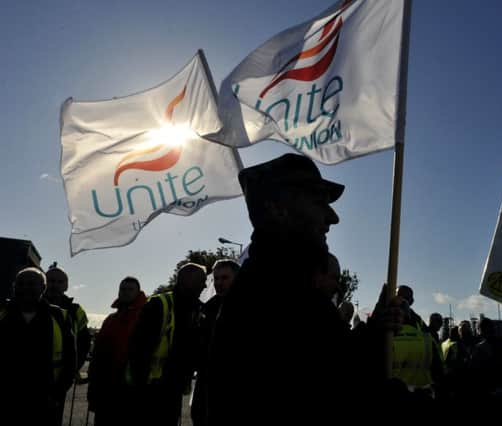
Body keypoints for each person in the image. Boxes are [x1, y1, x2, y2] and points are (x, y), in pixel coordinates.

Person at [204, 154, 405, 422]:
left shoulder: (287, 285)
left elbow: (334, 363)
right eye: (318, 202)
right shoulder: (273, 295)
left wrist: (375, 331)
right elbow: (331, 396)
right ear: (278, 209)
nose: (332, 217)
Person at [127, 263, 207, 426]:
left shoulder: (197, 310)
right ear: (187, 281)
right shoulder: (159, 305)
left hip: (173, 389)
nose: (205, 285)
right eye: (202, 281)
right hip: (149, 390)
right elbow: (138, 348)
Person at [0, 268, 76, 426]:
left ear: (43, 288)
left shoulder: (59, 317)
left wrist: (57, 394)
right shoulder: (3, 314)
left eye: (31, 284)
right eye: (21, 284)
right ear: (14, 287)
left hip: (44, 401)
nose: (26, 288)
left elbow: (70, 361)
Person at [88, 276, 146, 426]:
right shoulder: (110, 319)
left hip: (132, 390)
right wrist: (93, 386)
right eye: (122, 289)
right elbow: (98, 354)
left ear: (138, 292)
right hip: (106, 387)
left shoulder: (146, 317)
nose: (125, 293)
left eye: (130, 289)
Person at [191, 259, 240, 426]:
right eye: (216, 278)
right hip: (206, 383)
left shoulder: (250, 307)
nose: (219, 283)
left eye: (225, 278)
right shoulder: (208, 308)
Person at [45, 264, 91, 370]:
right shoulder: (32, 305)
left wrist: (74, 367)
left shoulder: (76, 310)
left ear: (66, 286)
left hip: (62, 377)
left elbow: (84, 343)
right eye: (51, 281)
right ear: (43, 283)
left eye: (60, 282)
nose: (55, 285)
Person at [469, 317, 502, 393]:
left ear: (481, 330)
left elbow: (473, 370)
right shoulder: (501, 342)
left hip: (487, 388)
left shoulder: (480, 347)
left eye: (478, 329)